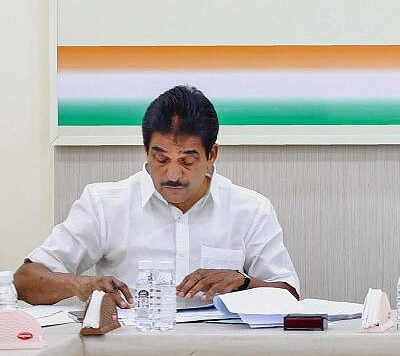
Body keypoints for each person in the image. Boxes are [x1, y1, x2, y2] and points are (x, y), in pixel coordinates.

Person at [15, 85, 300, 308]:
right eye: (161, 159)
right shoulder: (105, 203)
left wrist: (243, 283)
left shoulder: (250, 209)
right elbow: (26, 281)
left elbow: (289, 297)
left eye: (187, 161)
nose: (172, 175)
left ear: (211, 155)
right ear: (146, 151)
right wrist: (80, 285)